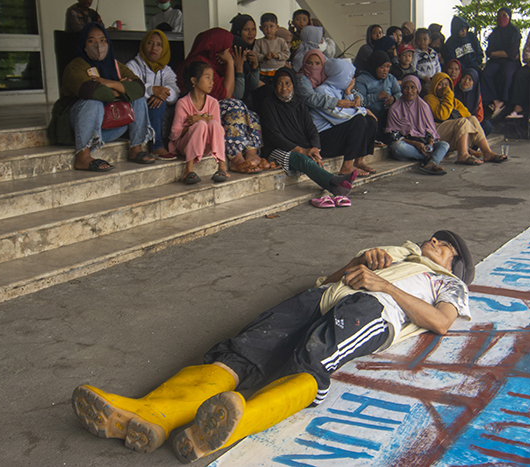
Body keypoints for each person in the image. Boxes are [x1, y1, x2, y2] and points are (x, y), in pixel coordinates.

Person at [72, 231, 474, 460]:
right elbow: (332, 276)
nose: (434, 239)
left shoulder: (446, 282)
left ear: (453, 263)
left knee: (311, 360)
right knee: (244, 348)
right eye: (435, 236)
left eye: (444, 244)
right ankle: (150, 414)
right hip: (325, 294)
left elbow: (439, 321)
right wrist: (360, 261)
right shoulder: (399, 251)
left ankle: (229, 426)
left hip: (373, 308)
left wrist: (383, 285)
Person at [48, 22, 155, 172]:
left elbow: (139, 88)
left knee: (138, 99)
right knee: (93, 102)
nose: (98, 45)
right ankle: (83, 156)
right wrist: (121, 88)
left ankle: (136, 148)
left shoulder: (115, 65)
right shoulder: (76, 66)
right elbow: (92, 92)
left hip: (111, 126)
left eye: (103, 40)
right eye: (91, 41)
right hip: (79, 127)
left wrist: (108, 83)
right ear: (83, 44)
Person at [259, 68, 358, 207]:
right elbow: (273, 135)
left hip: (301, 146)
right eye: (280, 84)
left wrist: (315, 149)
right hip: (276, 149)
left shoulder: (299, 103)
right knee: (302, 160)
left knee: (310, 158)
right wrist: (301, 150)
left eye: (288, 83)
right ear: (275, 85)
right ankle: (336, 181)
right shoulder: (268, 104)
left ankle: (336, 187)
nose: (284, 88)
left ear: (293, 84)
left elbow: (311, 128)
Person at [177, 28, 267, 174]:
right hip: (200, 106)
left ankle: (251, 155)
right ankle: (236, 158)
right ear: (214, 46)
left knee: (251, 115)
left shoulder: (213, 63)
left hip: (213, 104)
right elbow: (226, 94)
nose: (228, 52)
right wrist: (231, 63)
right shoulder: (200, 64)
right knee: (234, 106)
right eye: (224, 48)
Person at [309, 59, 379, 176]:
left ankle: (358, 161)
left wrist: (348, 92)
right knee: (359, 120)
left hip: (336, 133)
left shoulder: (340, 90)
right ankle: (346, 167)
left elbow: (351, 108)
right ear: (339, 76)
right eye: (348, 76)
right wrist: (364, 110)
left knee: (370, 121)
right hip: (323, 140)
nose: (351, 79)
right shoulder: (322, 91)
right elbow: (340, 115)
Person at [426, 72, 507, 165]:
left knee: (472, 119)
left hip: (449, 135)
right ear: (434, 85)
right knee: (463, 122)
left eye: (447, 85)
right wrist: (448, 95)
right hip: (435, 133)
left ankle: (487, 152)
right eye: (440, 84)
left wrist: (450, 100)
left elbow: (467, 115)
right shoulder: (430, 98)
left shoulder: (453, 101)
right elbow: (442, 116)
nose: (444, 88)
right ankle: (463, 155)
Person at [169, 61, 228, 185]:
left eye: (212, 78)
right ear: (194, 81)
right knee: (200, 125)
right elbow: (174, 134)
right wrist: (194, 124)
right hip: (185, 144)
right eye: (207, 78)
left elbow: (218, 132)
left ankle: (222, 167)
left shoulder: (213, 103)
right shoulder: (183, 103)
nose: (212, 82)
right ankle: (188, 169)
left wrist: (202, 120)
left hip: (205, 145)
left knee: (214, 125)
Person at [126, 30, 180, 160]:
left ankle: (158, 145)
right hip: (136, 108)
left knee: (159, 101)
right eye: (150, 43)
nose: (154, 48)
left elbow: (175, 91)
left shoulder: (166, 70)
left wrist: (161, 93)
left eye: (159, 45)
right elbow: (130, 87)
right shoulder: (132, 65)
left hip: (156, 107)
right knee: (149, 101)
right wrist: (151, 90)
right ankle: (156, 146)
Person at [385, 75, 449, 175]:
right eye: (406, 87)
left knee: (444, 145)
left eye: (413, 87)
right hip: (408, 146)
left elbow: (430, 129)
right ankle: (429, 159)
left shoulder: (423, 106)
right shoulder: (395, 108)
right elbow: (393, 136)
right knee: (397, 147)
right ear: (402, 89)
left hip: (423, 143)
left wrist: (430, 142)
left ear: (418, 89)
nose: (409, 91)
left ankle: (432, 162)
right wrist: (415, 144)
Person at [481, 7, 521, 118]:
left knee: (507, 74)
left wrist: (496, 53)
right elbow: (489, 52)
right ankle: (494, 100)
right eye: (499, 15)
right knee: (486, 73)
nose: (501, 18)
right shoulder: (495, 32)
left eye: (504, 15)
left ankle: (505, 102)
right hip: (496, 61)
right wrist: (504, 53)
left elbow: (513, 54)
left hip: (511, 62)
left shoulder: (514, 32)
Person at [296, 50, 362, 116]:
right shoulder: (302, 79)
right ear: (304, 63)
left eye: (317, 63)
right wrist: (337, 103)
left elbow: (342, 85)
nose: (313, 66)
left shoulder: (325, 74)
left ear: (323, 63)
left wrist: (357, 97)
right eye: (309, 63)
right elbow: (310, 98)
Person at [355, 50, 402, 136]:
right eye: (382, 67)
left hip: (389, 114)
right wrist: (376, 97)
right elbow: (360, 101)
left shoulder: (390, 78)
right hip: (371, 115)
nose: (385, 70)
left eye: (388, 67)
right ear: (374, 66)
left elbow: (400, 93)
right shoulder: (361, 80)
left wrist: (393, 98)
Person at [229, 14, 261, 106]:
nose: (251, 33)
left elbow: (253, 86)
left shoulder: (255, 48)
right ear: (238, 31)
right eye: (246, 30)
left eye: (253, 29)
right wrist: (239, 69)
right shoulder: (233, 51)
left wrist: (255, 66)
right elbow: (237, 95)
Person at [254, 13, 291, 83]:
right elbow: (255, 55)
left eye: (271, 26)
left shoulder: (281, 41)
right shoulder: (259, 42)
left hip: (279, 70)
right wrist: (264, 57)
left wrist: (278, 55)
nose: (268, 29)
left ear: (277, 27)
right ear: (260, 28)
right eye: (265, 27)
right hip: (264, 72)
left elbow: (287, 54)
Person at [455, 68, 491, 136]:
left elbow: (479, 115)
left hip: (473, 123)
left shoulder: (476, 95)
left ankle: (474, 145)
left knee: (487, 125)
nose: (466, 81)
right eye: (464, 78)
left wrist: (472, 124)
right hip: (458, 122)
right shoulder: (454, 92)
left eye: (470, 79)